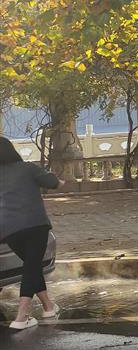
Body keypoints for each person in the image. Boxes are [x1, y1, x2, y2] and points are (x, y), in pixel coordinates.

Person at [0, 137, 61, 330]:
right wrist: (60, 181)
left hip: (9, 231)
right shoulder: (27, 168)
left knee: (31, 267)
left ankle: (48, 307)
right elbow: (52, 182)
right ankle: (21, 316)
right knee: (31, 267)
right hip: (35, 226)